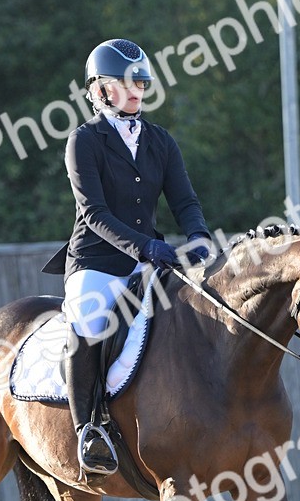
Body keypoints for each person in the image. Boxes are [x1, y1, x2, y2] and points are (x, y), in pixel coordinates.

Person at [41, 38, 211, 476]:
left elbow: (185, 200)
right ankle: (87, 430)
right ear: (100, 89)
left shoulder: (160, 141)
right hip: (96, 261)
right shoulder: (84, 142)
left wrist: (199, 235)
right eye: (129, 82)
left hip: (148, 261)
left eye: (142, 81)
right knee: (91, 322)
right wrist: (145, 246)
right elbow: (94, 214)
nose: (138, 89)